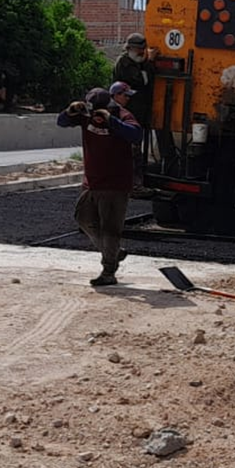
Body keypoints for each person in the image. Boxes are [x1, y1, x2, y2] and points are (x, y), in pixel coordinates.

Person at [56, 84, 142, 287]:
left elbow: (136, 135)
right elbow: (61, 122)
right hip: (92, 182)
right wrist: (69, 111)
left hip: (115, 183)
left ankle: (108, 271)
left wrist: (111, 121)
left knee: (111, 229)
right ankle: (112, 251)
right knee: (83, 218)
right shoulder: (85, 115)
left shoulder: (122, 115)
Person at [111, 34, 155, 186]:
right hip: (129, 114)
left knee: (135, 150)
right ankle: (131, 183)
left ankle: (134, 182)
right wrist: (148, 63)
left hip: (138, 113)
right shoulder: (125, 63)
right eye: (139, 50)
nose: (141, 52)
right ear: (130, 49)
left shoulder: (137, 62)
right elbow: (142, 81)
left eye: (143, 50)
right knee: (130, 150)